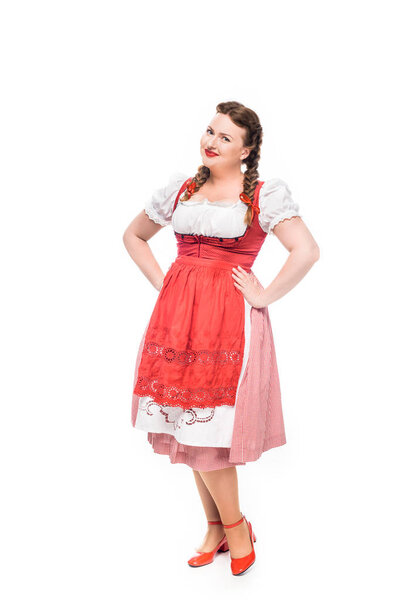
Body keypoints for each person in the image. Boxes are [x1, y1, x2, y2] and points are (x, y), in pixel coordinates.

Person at [123, 100, 320, 575]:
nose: (211, 142)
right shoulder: (184, 189)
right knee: (185, 425)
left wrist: (264, 294)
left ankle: (236, 529)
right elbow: (133, 236)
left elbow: (307, 250)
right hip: (177, 319)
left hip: (228, 321)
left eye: (225, 137)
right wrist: (165, 283)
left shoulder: (264, 194)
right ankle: (216, 528)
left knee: (209, 430)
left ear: (247, 150)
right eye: (210, 131)